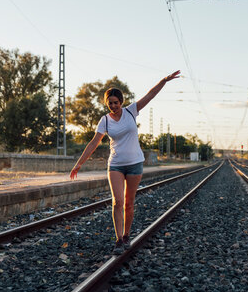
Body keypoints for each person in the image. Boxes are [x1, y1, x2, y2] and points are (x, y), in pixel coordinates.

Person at [70, 70, 180, 253]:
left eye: (116, 102)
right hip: (115, 164)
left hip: (135, 163)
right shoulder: (104, 120)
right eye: (110, 103)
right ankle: (119, 239)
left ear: (121, 102)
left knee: (129, 203)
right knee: (117, 202)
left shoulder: (131, 111)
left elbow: (150, 95)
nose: (113, 106)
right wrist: (79, 164)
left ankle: (127, 235)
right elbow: (93, 143)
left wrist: (164, 80)